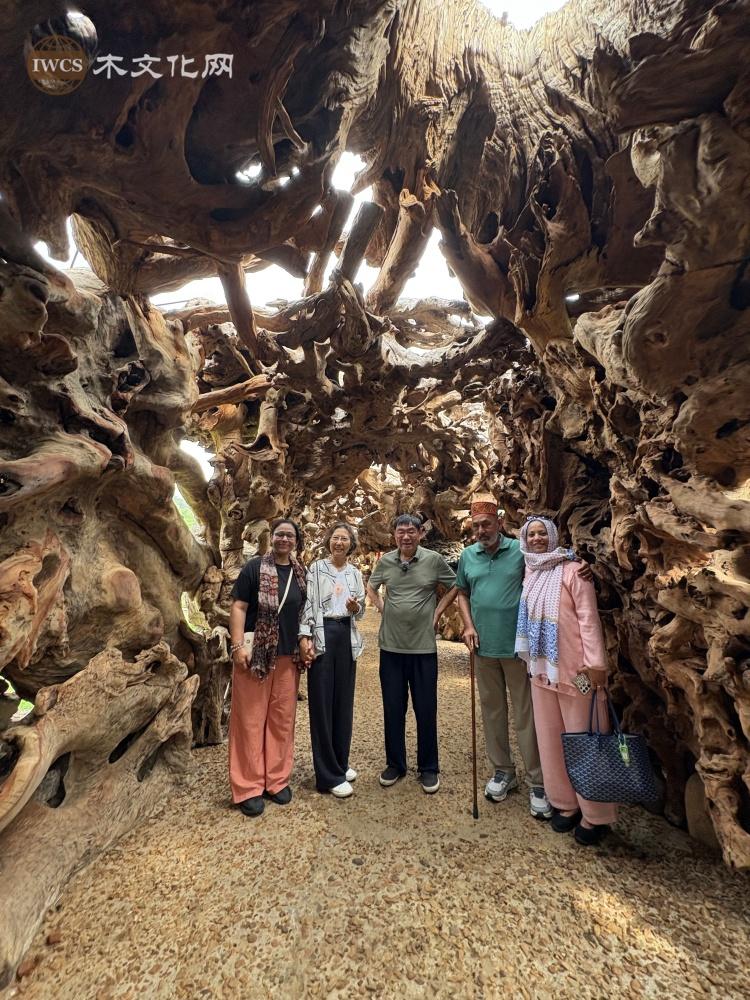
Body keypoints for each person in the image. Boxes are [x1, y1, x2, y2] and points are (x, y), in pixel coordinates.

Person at [454, 494, 594, 819]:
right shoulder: (468, 556)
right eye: (476, 526)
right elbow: (462, 592)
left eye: (486, 524)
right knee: (492, 712)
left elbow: (551, 560)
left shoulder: (520, 551)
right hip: (482, 647)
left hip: (520, 650)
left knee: (526, 716)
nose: (481, 530)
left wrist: (581, 562)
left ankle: (537, 781)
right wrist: (468, 626)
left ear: (499, 523)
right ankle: (503, 771)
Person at [516, 516, 617, 845]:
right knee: (551, 741)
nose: (536, 539)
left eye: (541, 533)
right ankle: (565, 802)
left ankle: (595, 814)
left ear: (553, 536)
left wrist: (596, 664)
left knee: (586, 741)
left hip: (577, 673)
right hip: (542, 671)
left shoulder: (574, 571)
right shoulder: (530, 571)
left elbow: (588, 619)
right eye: (531, 534)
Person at [367, 514, 456, 793]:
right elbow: (371, 586)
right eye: (400, 531)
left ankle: (429, 767)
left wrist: (438, 612)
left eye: (411, 531)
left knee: (425, 708)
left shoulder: (433, 560)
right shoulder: (386, 561)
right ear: (394, 535)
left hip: (423, 648)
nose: (405, 536)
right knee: (393, 708)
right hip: (391, 647)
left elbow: (456, 585)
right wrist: (383, 608)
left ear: (420, 533)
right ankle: (395, 764)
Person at [228, 518, 308, 818]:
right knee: (249, 720)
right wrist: (237, 646)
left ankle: (276, 779)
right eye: (279, 534)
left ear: (296, 541)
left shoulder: (301, 573)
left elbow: (304, 612)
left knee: (281, 720)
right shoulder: (254, 568)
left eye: (289, 535)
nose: (284, 539)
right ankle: (248, 786)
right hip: (256, 656)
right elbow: (239, 606)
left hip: (288, 658)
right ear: (271, 537)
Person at [298, 521, 366, 799]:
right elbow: (308, 604)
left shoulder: (355, 573)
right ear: (328, 541)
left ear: (351, 544)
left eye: (344, 539)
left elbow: (361, 611)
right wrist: (305, 636)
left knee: (343, 703)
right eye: (335, 538)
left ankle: (340, 762)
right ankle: (328, 775)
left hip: (346, 636)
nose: (339, 542)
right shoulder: (316, 568)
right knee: (322, 704)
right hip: (322, 633)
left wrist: (356, 607)